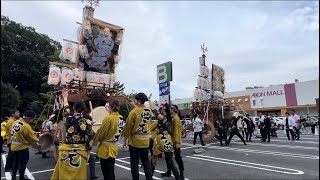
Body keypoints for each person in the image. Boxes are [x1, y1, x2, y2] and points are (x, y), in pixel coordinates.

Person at [51, 89, 95, 180]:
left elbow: (66, 109)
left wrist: (65, 97)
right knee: (78, 176)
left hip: (66, 151)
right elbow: (90, 137)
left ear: (74, 108)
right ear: (84, 109)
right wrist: (88, 152)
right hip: (80, 152)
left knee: (65, 175)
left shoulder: (67, 119)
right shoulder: (86, 121)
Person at [122, 92, 153, 180]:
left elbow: (128, 127)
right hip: (146, 141)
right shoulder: (148, 111)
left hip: (135, 142)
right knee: (146, 162)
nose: (135, 101)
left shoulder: (134, 112)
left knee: (134, 164)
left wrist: (125, 139)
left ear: (138, 101)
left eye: (135, 100)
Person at [92, 100, 124, 180]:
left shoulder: (109, 118)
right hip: (114, 146)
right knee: (111, 170)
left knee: (107, 172)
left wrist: (94, 140)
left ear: (110, 107)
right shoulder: (121, 118)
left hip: (106, 148)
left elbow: (101, 132)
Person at [151, 103, 180, 180]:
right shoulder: (171, 118)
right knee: (170, 160)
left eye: (162, 109)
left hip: (161, 139)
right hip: (168, 140)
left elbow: (154, 111)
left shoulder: (163, 118)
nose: (160, 110)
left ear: (164, 110)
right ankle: (177, 177)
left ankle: (149, 176)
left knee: (154, 158)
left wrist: (150, 102)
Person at [11, 110, 39, 180]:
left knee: (15, 162)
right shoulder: (27, 126)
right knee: (22, 164)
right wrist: (39, 141)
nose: (31, 121)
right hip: (22, 148)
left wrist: (32, 132)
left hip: (13, 147)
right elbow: (32, 138)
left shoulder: (15, 122)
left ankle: (13, 177)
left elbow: (21, 132)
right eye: (31, 119)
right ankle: (21, 177)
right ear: (28, 118)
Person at [161, 104, 185, 179]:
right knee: (169, 158)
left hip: (175, 141)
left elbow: (177, 131)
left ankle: (181, 174)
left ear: (174, 110)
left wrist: (177, 142)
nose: (170, 110)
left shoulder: (176, 119)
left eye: (171, 109)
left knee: (178, 158)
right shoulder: (173, 118)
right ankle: (169, 171)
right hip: (171, 140)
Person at [83, 114, 99, 180]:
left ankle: (92, 175)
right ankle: (90, 174)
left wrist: (91, 122)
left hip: (75, 149)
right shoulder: (90, 133)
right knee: (90, 157)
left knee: (92, 158)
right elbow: (88, 151)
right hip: (83, 152)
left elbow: (88, 126)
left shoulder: (81, 127)